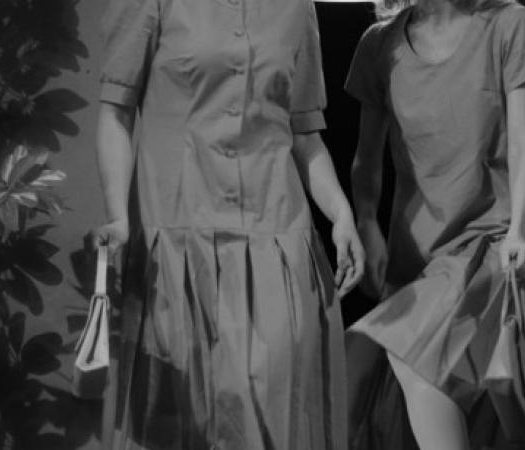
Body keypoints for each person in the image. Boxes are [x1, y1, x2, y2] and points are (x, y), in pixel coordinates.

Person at [91, 0, 364, 448]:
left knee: (274, 405)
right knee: (183, 417)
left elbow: (304, 133)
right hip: (178, 229)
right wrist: (118, 215)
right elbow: (115, 113)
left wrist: (341, 214)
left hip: (276, 231)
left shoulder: (296, 8)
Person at [345, 0, 525, 449]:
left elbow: (523, 141)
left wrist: (519, 229)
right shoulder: (380, 46)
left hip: (490, 238)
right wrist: (366, 223)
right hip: (416, 254)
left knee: (416, 366)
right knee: (365, 372)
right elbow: (367, 157)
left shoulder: (508, 25)